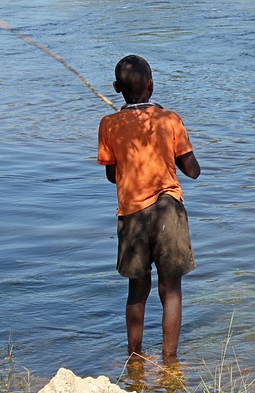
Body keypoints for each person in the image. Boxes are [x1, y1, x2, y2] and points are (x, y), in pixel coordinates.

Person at [97, 55, 200, 358]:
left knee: (137, 290)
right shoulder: (170, 119)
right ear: (152, 86)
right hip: (169, 210)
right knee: (171, 289)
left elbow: (110, 174)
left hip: (131, 215)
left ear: (116, 87)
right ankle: (170, 360)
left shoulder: (109, 124)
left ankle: (134, 357)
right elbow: (192, 170)